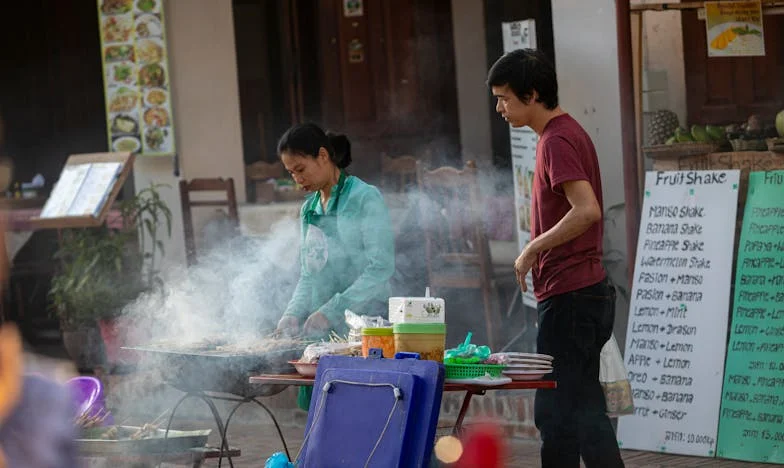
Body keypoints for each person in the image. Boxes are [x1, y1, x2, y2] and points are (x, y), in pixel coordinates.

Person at [487, 49, 625, 468]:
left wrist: (531, 248)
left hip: (571, 296)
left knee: (560, 416)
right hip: (581, 293)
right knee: (581, 412)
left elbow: (587, 210)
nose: (500, 108)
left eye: (505, 98)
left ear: (532, 95)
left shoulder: (557, 140)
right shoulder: (565, 134)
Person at [275, 123, 395, 338]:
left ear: (322, 156)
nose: (297, 180)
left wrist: (334, 310)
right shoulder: (309, 209)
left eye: (300, 169)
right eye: (291, 173)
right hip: (324, 324)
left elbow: (381, 268)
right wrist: (292, 313)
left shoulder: (365, 197)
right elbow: (309, 273)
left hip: (368, 320)